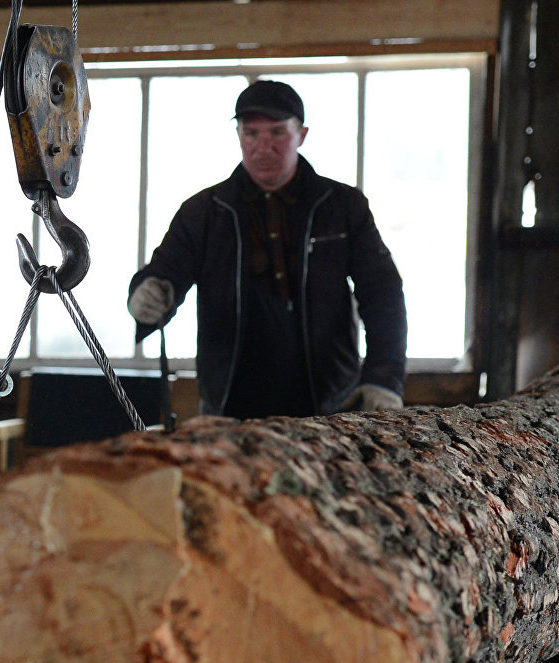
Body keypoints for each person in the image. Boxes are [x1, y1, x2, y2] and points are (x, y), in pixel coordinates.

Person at [127, 80, 406, 419]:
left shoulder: (343, 207)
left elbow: (382, 293)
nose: (263, 148)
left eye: (277, 133)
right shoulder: (203, 212)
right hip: (230, 404)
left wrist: (383, 378)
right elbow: (163, 276)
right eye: (251, 134)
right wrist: (147, 295)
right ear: (239, 137)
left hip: (329, 402)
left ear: (301, 135)